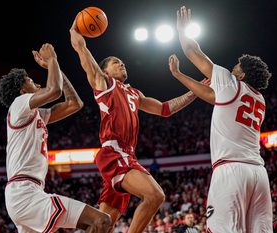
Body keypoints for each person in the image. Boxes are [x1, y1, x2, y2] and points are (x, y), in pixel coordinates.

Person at [70, 18, 209, 233]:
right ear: (105, 71)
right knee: (156, 196)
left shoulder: (134, 93)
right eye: (116, 62)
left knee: (102, 224)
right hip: (114, 153)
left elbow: (165, 108)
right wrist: (75, 30)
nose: (122, 63)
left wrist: (195, 91)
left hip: (127, 155)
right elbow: (82, 51)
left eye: (122, 61)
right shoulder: (105, 84)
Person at [169, 6, 273, 232]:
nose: (233, 66)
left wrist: (182, 30)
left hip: (231, 171)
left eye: (237, 66)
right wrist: (179, 75)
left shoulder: (230, 83)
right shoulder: (260, 99)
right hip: (258, 174)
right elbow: (208, 94)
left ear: (242, 74)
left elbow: (191, 50)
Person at [0, 43, 111, 233]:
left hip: (26, 193)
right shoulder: (19, 104)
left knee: (96, 223)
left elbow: (74, 103)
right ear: (22, 90)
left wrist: (54, 66)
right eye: (31, 81)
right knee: (101, 221)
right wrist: (52, 60)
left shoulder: (35, 114)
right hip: (24, 192)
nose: (38, 83)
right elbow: (54, 91)